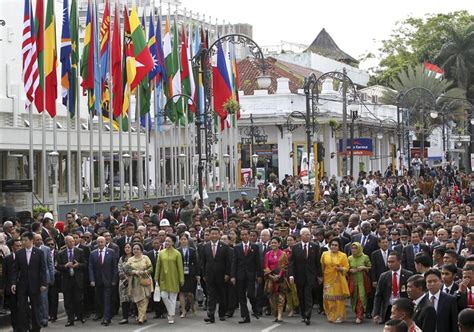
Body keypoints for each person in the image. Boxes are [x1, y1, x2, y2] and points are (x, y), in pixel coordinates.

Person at [11, 231, 47, 332]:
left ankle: (36, 328)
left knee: (36, 307)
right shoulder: (19, 253)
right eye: (22, 240)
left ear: (31, 241)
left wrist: (43, 283)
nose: (23, 242)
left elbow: (43, 269)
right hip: (22, 285)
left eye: (25, 240)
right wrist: (13, 283)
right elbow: (15, 270)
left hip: (35, 285)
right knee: (22, 307)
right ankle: (23, 328)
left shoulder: (39, 253)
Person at [289, 227, 321, 326]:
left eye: (309, 234)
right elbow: (292, 263)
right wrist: (291, 275)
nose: (308, 236)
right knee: (301, 296)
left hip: (311, 276)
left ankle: (308, 315)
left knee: (308, 296)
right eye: (306, 234)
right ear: (301, 236)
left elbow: (317, 262)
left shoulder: (315, 246)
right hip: (299, 276)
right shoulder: (295, 247)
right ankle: (303, 314)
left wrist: (320, 275)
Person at [230, 228, 262, 324]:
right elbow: (234, 263)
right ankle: (245, 316)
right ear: (240, 236)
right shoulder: (237, 247)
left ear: (249, 235)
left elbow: (258, 262)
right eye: (242, 235)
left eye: (246, 234)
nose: (244, 236)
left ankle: (255, 309)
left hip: (251, 275)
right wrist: (233, 276)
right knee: (241, 297)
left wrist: (259, 275)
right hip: (240, 275)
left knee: (251, 294)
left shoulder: (255, 247)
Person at [200, 227, 231, 324]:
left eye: (215, 234)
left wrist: (227, 274)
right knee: (211, 296)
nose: (214, 235)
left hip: (221, 275)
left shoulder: (225, 247)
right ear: (209, 235)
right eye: (212, 234)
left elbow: (228, 262)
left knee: (222, 295)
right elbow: (203, 262)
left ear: (219, 235)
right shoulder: (205, 247)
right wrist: (204, 274)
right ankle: (211, 315)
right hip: (209, 275)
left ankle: (222, 314)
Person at [373, 251, 413, 324]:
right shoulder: (384, 276)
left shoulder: (408, 275)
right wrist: (376, 313)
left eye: (392, 262)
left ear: (399, 261)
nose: (390, 264)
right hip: (389, 309)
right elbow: (378, 295)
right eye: (388, 262)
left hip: (403, 309)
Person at [57, 235, 86, 326]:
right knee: (68, 301)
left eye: (73, 241)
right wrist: (65, 266)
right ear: (66, 243)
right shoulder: (61, 253)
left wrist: (78, 265)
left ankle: (80, 315)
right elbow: (58, 266)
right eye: (70, 241)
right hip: (67, 279)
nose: (72, 243)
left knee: (78, 299)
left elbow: (85, 264)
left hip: (77, 279)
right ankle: (70, 319)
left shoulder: (80, 251)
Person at [89, 236, 118, 326]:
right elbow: (90, 268)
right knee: (99, 299)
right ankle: (102, 315)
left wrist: (114, 279)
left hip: (108, 281)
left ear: (105, 242)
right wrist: (92, 280)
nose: (100, 244)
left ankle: (106, 318)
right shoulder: (93, 253)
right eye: (99, 242)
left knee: (107, 300)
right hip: (98, 281)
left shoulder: (111, 252)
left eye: (102, 242)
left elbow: (115, 267)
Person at [155, 234, 184, 324]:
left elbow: (180, 267)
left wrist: (181, 279)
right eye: (166, 241)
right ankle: (171, 312)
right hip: (163, 278)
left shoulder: (177, 253)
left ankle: (171, 315)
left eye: (169, 241)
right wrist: (156, 277)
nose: (166, 242)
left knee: (173, 298)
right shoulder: (161, 253)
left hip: (174, 277)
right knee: (163, 295)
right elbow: (158, 266)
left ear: (173, 243)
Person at [321, 238, 350, 323]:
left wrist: (340, 268)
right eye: (332, 245)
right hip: (328, 278)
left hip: (338, 279)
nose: (334, 247)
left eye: (336, 245)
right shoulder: (324, 254)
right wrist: (321, 276)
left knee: (338, 299)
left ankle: (339, 316)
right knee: (328, 298)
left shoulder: (343, 255)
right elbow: (322, 266)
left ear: (339, 246)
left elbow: (347, 267)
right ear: (330, 246)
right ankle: (330, 315)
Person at [124, 242, 153, 325]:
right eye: (134, 249)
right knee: (138, 300)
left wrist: (144, 272)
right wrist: (135, 272)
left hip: (145, 280)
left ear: (141, 250)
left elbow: (151, 268)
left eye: (137, 249)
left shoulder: (145, 258)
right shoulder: (130, 260)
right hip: (135, 282)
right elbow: (127, 270)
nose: (135, 250)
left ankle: (140, 317)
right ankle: (143, 316)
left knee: (145, 299)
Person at [263, 236, 288, 323]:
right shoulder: (267, 254)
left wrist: (279, 275)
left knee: (281, 297)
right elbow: (266, 266)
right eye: (272, 243)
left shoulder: (283, 254)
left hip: (280, 279)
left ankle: (280, 314)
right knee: (272, 298)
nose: (273, 244)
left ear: (279, 244)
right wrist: (271, 276)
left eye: (275, 243)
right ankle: (276, 314)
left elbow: (284, 266)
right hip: (270, 278)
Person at [348, 242, 372, 324]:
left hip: (362, 280)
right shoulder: (350, 258)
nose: (354, 250)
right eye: (352, 248)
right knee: (353, 297)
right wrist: (350, 270)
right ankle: (357, 312)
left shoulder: (365, 257)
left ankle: (360, 315)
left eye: (355, 248)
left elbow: (370, 267)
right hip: (352, 280)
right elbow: (346, 268)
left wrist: (364, 267)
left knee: (361, 297)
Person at [177, 233, 199, 318]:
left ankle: (192, 305)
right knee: (181, 292)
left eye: (184, 239)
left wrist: (197, 274)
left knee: (190, 293)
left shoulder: (192, 250)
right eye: (181, 239)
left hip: (190, 272)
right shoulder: (177, 250)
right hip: (181, 272)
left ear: (188, 240)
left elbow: (196, 263)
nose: (183, 241)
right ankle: (183, 310)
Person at [3, 238, 21, 331]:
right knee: (14, 310)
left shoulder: (24, 257)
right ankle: (16, 328)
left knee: (23, 309)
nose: (19, 247)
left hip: (23, 288)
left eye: (20, 246)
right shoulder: (7, 259)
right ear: (12, 247)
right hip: (11, 289)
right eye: (17, 246)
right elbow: (4, 275)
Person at [283, 235, 299, 317]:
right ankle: (291, 309)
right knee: (288, 292)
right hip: (287, 274)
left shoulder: (298, 249)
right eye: (288, 240)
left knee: (297, 291)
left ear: (295, 241)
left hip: (298, 274)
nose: (289, 242)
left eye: (291, 240)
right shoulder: (284, 252)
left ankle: (298, 307)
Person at [117, 243, 132, 324]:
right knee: (124, 300)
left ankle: (138, 315)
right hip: (123, 282)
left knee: (135, 300)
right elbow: (119, 269)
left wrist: (131, 278)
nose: (127, 249)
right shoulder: (121, 258)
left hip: (134, 281)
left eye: (129, 247)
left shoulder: (135, 258)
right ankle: (125, 317)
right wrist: (126, 278)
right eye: (125, 247)